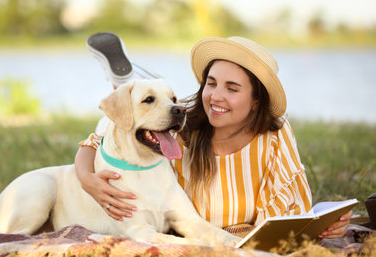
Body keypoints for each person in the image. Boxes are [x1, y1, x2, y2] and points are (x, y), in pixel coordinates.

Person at [75, 32, 352, 239]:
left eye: (232, 88)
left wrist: (325, 226)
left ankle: (127, 80)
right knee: (143, 108)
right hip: (195, 231)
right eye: (211, 83)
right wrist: (87, 178)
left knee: (150, 102)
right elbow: (98, 138)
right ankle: (125, 83)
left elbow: (290, 206)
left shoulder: (274, 135)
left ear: (256, 101)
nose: (216, 97)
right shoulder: (183, 123)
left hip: (227, 238)